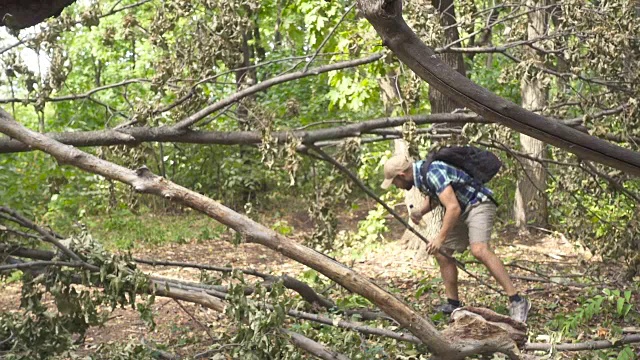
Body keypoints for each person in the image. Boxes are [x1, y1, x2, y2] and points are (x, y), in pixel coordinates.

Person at [381, 154, 531, 323]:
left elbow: (452, 208)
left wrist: (439, 238)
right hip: (461, 207)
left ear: (401, 175)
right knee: (442, 252)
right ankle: (453, 304)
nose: (396, 186)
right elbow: (438, 196)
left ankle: (517, 300)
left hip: (477, 204)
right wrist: (420, 212)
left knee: (479, 250)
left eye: (395, 182)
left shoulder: (431, 171)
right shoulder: (421, 175)